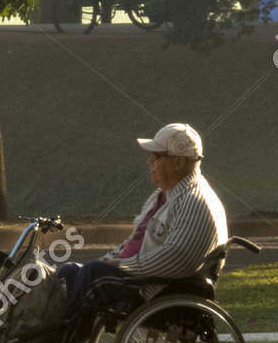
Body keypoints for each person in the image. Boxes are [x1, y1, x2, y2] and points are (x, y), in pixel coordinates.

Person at [54, 122, 227, 320]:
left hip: (156, 289)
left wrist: (122, 265)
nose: (149, 161)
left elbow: (177, 258)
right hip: (144, 279)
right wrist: (110, 259)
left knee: (93, 274)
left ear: (178, 162)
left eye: (157, 156)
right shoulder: (163, 195)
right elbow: (136, 240)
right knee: (70, 272)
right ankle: (54, 342)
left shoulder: (194, 202)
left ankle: (55, 341)